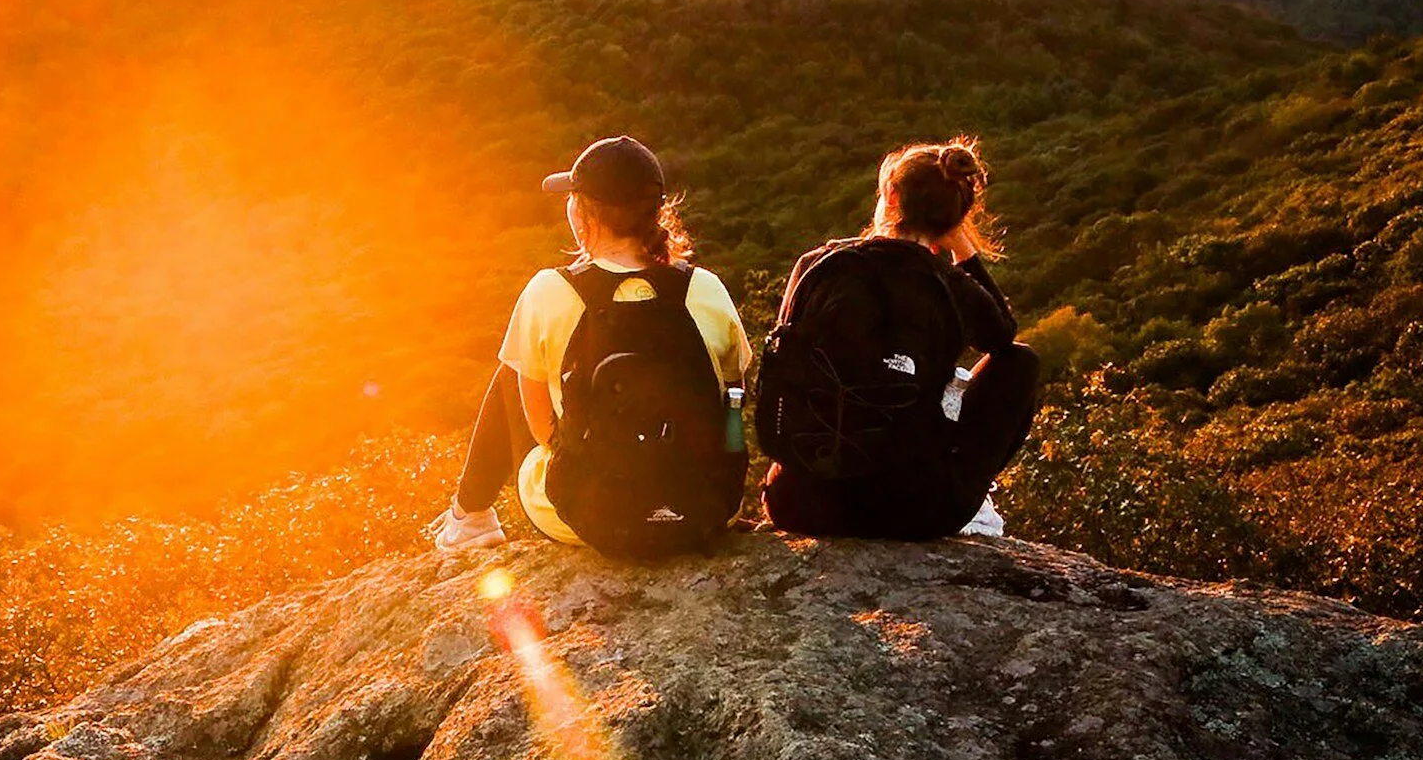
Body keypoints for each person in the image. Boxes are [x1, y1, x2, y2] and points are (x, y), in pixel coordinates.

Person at [434, 135, 753, 554]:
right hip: (703, 508)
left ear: (583, 213)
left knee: (515, 368)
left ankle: (470, 516)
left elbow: (544, 432)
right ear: (657, 211)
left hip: (588, 515)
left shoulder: (549, 291)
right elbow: (733, 392)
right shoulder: (705, 288)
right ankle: (469, 514)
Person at [759, 138, 1041, 540]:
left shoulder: (817, 265)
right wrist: (961, 246)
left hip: (802, 503)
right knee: (1021, 361)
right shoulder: (953, 286)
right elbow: (1004, 339)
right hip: (911, 513)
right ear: (956, 218)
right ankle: (954, 488)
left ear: (891, 196)